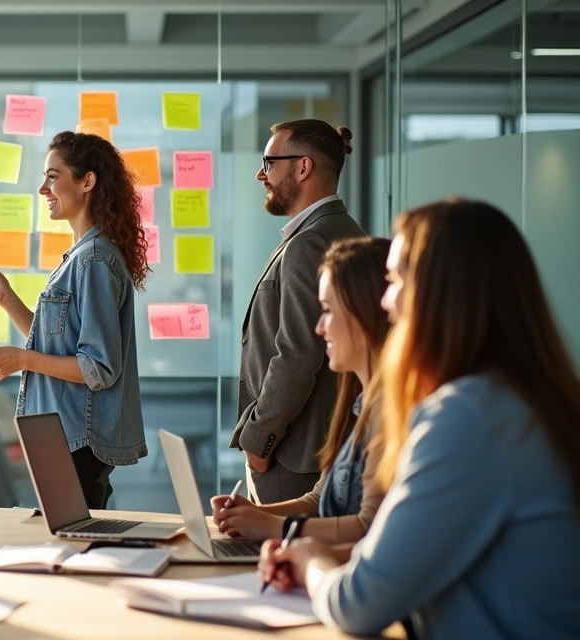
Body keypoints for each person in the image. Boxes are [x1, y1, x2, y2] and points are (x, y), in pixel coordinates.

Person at [259, 199, 580, 639]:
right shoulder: (522, 400)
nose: (386, 302)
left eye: (394, 280)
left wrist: (312, 559)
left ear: (440, 293)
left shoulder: (466, 417)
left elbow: (357, 606)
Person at [0, 131, 148, 509]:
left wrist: (19, 359)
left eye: (52, 176)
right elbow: (58, 343)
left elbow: (97, 367)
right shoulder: (84, 255)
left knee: (74, 550)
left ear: (87, 181)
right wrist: (5, 297)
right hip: (67, 438)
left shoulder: (94, 260)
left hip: (78, 441)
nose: (42, 189)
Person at [212, 237, 390, 543]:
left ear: (367, 313)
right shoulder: (356, 406)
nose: (319, 329)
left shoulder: (394, 413)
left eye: (328, 311)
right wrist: (253, 514)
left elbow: (367, 527)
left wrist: (271, 527)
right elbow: (316, 503)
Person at [232, 119, 366, 504]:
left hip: (292, 453)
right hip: (312, 447)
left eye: (269, 162)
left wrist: (259, 439)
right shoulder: (342, 230)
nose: (262, 173)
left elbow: (298, 351)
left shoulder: (311, 242)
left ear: (303, 167)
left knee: (273, 559)